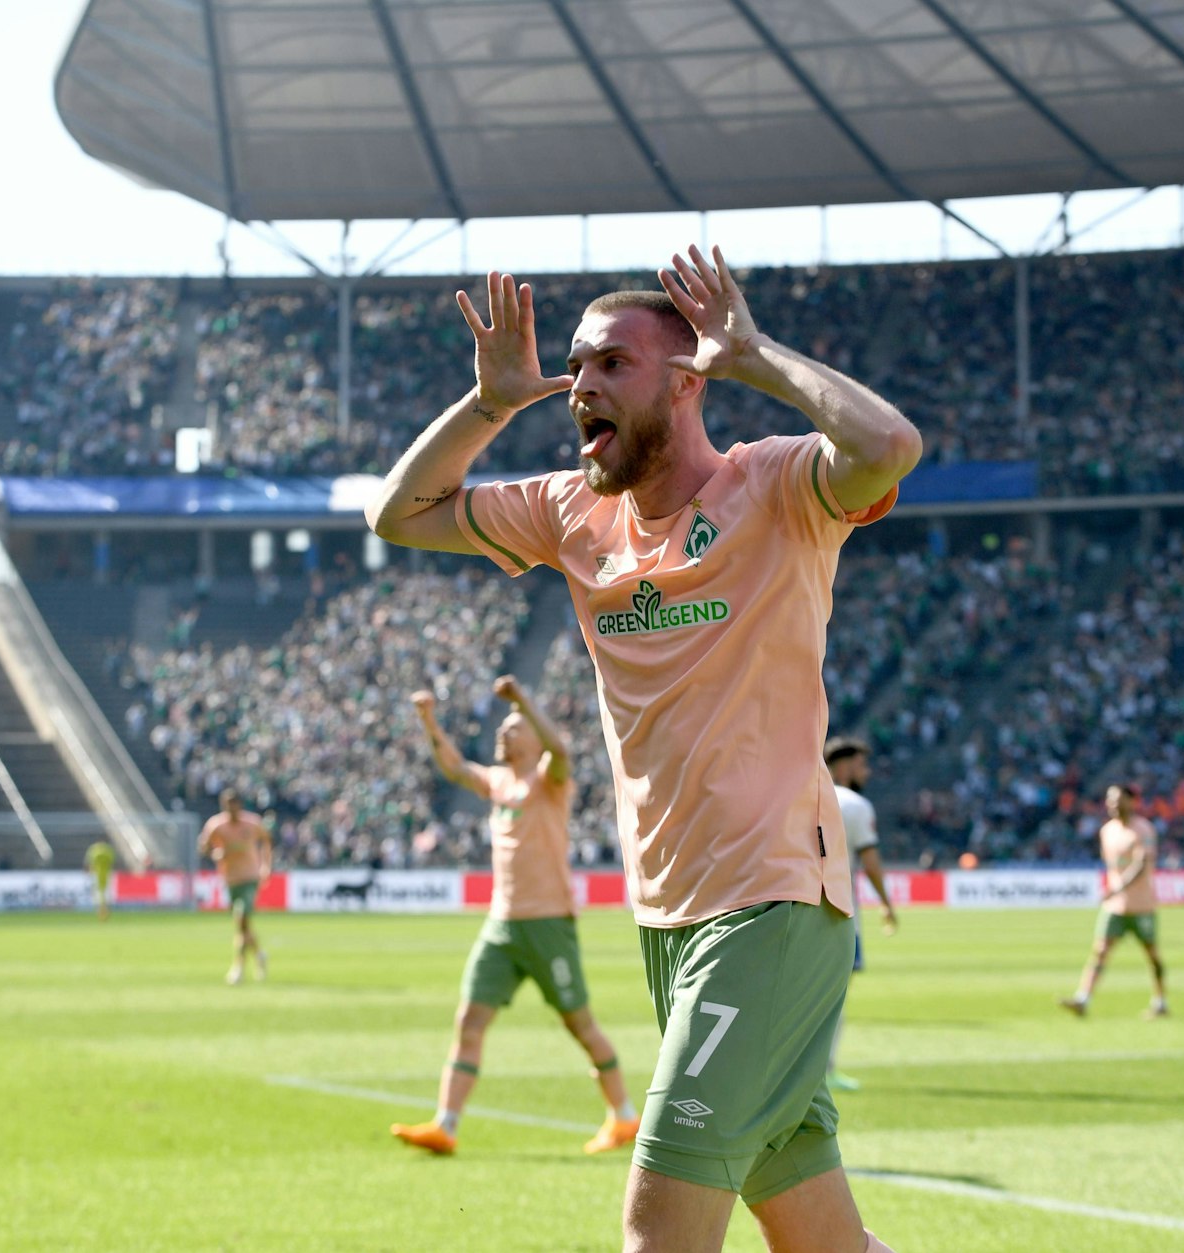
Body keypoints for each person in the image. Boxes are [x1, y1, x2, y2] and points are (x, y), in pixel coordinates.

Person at [366, 245, 920, 1253]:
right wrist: (487, 403)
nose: (578, 384)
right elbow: (396, 514)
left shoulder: (779, 485)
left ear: (684, 380)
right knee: (821, 1236)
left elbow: (887, 444)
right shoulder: (571, 511)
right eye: (574, 367)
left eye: (610, 364)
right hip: (668, 914)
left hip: (770, 900)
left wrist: (754, 354)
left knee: (657, 1230)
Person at [391, 676, 640, 1157]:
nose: (504, 735)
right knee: (469, 1020)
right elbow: (456, 768)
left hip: (548, 923)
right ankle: (446, 1124)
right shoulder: (499, 781)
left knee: (580, 1026)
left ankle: (624, 1116)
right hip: (501, 924)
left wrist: (524, 699)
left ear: (532, 738)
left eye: (513, 729)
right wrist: (428, 721)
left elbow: (563, 750)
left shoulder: (550, 780)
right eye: (502, 729)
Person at [823, 736, 899, 1092]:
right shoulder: (856, 805)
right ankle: (826, 1070)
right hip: (840, 915)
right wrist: (886, 903)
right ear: (843, 766)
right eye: (861, 764)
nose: (866, 771)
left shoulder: (804, 795)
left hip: (794, 907)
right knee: (834, 997)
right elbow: (869, 861)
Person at [1061, 784, 1169, 1019]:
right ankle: (1083, 999)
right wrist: (1113, 890)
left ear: (1132, 802)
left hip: (1142, 905)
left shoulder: (1143, 829)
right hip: (1115, 906)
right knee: (1100, 951)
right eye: (1110, 801)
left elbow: (1141, 865)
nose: (1112, 805)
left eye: (1118, 800)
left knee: (1151, 955)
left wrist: (1118, 887)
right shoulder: (1107, 831)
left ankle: (1160, 1001)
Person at [197, 788, 272, 985]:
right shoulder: (216, 825)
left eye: (234, 804)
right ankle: (259, 954)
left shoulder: (252, 823)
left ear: (239, 805)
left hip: (250, 877)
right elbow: (204, 846)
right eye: (227, 805)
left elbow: (266, 841)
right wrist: (215, 853)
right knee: (243, 924)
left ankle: (238, 967)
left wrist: (266, 866)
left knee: (241, 919)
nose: (231, 809)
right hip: (230, 879)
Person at [84, 839, 117, 921]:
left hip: (97, 875)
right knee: (106, 895)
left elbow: (89, 862)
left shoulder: (94, 850)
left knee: (98, 896)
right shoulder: (108, 850)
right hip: (107, 875)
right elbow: (112, 862)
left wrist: (89, 870)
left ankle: (101, 913)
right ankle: (105, 912)